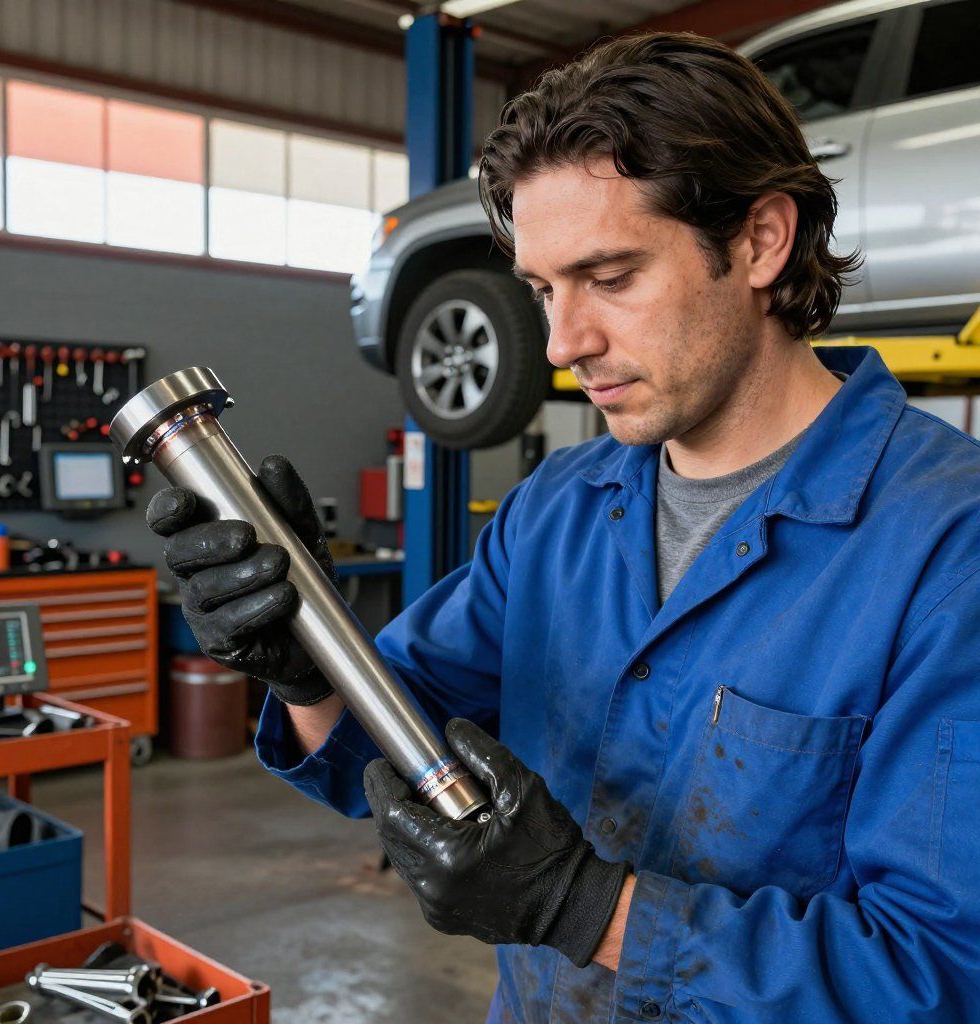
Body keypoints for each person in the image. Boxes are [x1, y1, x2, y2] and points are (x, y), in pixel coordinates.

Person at [146, 32, 980, 1024]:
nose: (562, 342)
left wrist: (586, 906)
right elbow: (388, 758)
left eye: (612, 276)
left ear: (761, 240)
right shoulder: (557, 509)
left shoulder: (944, 543)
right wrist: (304, 664)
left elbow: (941, 974)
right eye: (543, 288)